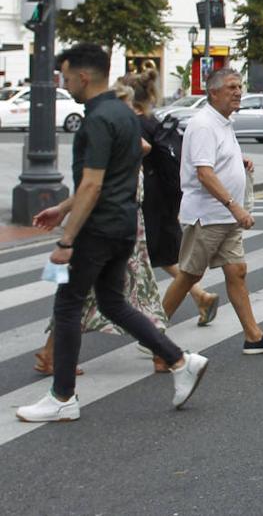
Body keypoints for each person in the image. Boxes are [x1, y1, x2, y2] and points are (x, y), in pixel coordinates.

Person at [18, 44, 207, 423]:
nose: (64, 83)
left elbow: (92, 184)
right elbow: (117, 172)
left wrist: (65, 239)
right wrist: (62, 207)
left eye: (66, 76)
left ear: (83, 76)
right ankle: (179, 360)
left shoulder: (97, 120)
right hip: (124, 225)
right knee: (112, 303)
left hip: (99, 228)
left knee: (69, 306)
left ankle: (62, 397)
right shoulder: (123, 114)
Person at [33, 75, 171, 376]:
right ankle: (168, 355)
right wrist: (66, 235)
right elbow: (95, 184)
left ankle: (51, 357)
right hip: (115, 226)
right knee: (128, 296)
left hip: (119, 224)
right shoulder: (120, 126)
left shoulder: (121, 125)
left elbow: (99, 181)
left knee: (91, 297)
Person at [162, 68, 263, 355]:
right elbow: (204, 173)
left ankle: (254, 337)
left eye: (239, 86)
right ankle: (153, 334)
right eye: (231, 87)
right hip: (208, 215)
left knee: (237, 272)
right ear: (214, 92)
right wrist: (235, 207)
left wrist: (239, 162)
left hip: (224, 217)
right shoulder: (204, 124)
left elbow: (215, 161)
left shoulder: (222, 122)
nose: (238, 92)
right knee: (189, 276)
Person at [131, 70, 219, 327]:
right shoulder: (154, 121)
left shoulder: (135, 125)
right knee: (162, 253)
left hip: (145, 196)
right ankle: (200, 296)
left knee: (140, 253)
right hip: (165, 194)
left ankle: (146, 318)